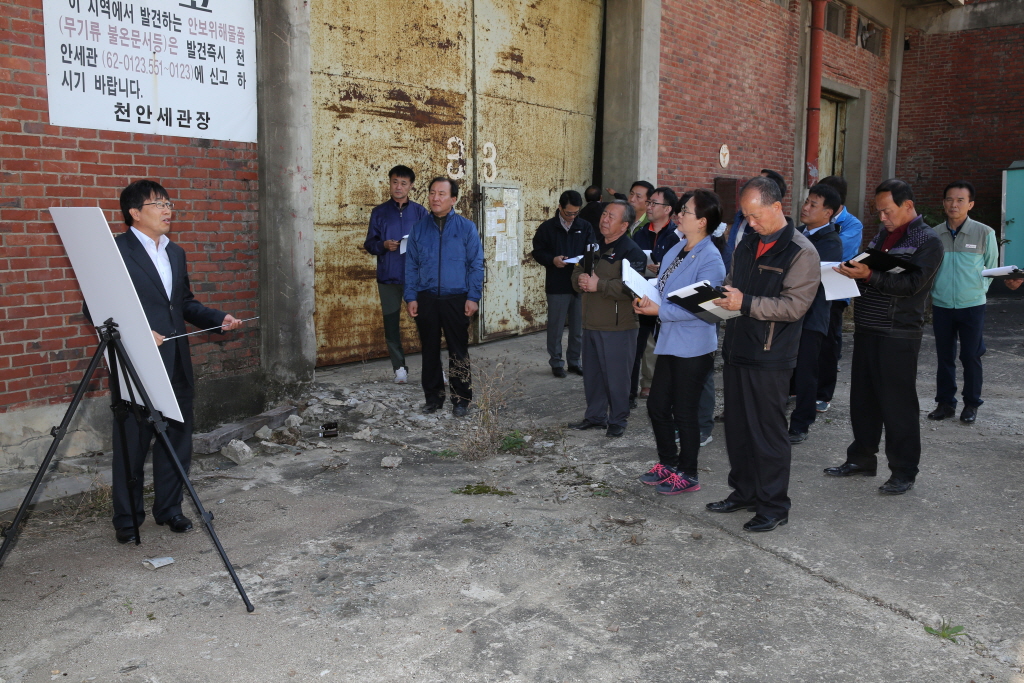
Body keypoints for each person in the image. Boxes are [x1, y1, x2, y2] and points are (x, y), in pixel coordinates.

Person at [94, 180, 244, 544]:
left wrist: (216, 319)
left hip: (176, 359)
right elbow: (96, 308)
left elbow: (184, 303)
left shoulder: (174, 252)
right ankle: (127, 519)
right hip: (136, 364)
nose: (167, 209)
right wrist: (138, 332)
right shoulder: (115, 251)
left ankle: (170, 509)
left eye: (168, 202)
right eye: (157, 203)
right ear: (134, 212)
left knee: (176, 437)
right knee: (132, 441)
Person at [704, 176, 820, 532]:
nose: (750, 223)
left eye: (755, 216)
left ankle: (773, 505)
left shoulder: (802, 252)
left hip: (771, 355)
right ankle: (744, 492)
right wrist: (718, 297)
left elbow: (794, 307)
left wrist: (746, 302)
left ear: (775, 207)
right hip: (739, 347)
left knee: (768, 433)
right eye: (745, 217)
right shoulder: (747, 244)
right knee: (737, 429)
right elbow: (734, 284)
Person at [825, 179, 944, 495]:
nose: (883, 218)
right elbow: (871, 271)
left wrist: (868, 275)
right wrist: (850, 272)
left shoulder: (928, 240)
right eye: (879, 212)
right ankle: (862, 459)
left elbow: (913, 285)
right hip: (868, 327)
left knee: (897, 405)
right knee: (862, 400)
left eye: (887, 211)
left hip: (898, 332)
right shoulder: (881, 237)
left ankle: (904, 470)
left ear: (907, 205)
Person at [633, 190, 726, 494]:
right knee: (658, 406)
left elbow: (704, 310)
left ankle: (689, 473)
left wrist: (660, 310)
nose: (679, 214)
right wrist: (648, 297)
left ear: (702, 222)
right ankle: (668, 463)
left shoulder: (711, 259)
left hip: (694, 346)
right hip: (670, 341)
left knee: (685, 411)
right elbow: (664, 288)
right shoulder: (676, 249)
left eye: (685, 211)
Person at [404, 177, 484, 417]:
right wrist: (411, 296)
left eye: (441, 194)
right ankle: (433, 399)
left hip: (456, 298)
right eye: (432, 193)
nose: (435, 198)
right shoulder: (419, 229)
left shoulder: (466, 227)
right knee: (429, 350)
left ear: (453, 199)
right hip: (426, 297)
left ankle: (461, 400)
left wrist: (473, 296)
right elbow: (411, 266)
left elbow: (476, 264)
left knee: (458, 351)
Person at [568, 200, 647, 437]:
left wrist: (598, 284)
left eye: (611, 216)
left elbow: (632, 288)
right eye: (604, 214)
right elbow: (577, 270)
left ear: (624, 225)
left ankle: (618, 420)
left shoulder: (632, 252)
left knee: (617, 377)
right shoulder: (594, 246)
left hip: (618, 326)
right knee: (593, 376)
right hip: (591, 321)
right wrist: (581, 280)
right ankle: (595, 416)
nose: (605, 219)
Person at [926, 181, 998, 424]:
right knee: (944, 357)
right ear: (944, 202)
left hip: (972, 305)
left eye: (960, 200)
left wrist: (979, 291)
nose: (953, 204)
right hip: (942, 305)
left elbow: (991, 268)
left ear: (970, 204)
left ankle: (971, 404)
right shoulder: (934, 234)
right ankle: (945, 404)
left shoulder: (984, 233)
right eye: (949, 199)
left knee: (970, 356)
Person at [788, 184, 844, 443]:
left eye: (813, 204)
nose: (806, 207)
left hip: (813, 315)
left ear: (828, 212)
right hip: (787, 311)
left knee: (807, 371)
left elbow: (808, 276)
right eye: (806, 201)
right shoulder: (796, 232)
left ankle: (801, 423)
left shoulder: (831, 243)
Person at [363, 165, 428, 384]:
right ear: (389, 183)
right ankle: (399, 368)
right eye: (394, 182)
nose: (398, 187)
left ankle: (434, 367)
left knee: (425, 324)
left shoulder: (420, 212)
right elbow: (369, 244)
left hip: (415, 279)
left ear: (411, 186)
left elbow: (430, 243)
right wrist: (383, 245)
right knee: (391, 325)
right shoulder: (379, 212)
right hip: (388, 278)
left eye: (403, 183)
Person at [531, 190, 595, 377]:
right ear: (560, 207)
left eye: (576, 213)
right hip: (557, 283)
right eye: (569, 213)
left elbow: (592, 250)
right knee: (556, 327)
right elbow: (538, 251)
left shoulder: (585, 226)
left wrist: (585, 264)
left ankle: (575, 361)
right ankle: (556, 362)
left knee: (578, 328)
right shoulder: (547, 228)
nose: (572, 217)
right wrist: (553, 260)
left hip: (579, 284)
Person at [815, 175, 864, 413]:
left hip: (834, 292)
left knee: (829, 342)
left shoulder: (853, 225)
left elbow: (834, 251)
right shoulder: (810, 224)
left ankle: (824, 393)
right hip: (810, 290)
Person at [629, 186, 680, 404]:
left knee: (657, 347)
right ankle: (629, 392)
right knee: (634, 347)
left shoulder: (676, 238)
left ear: (668, 209)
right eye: (648, 202)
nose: (649, 207)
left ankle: (653, 386)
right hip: (639, 296)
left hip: (664, 302)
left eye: (654, 203)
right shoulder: (640, 234)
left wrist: (663, 269)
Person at [722, 169, 787, 272]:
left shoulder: (798, 250)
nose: (751, 223)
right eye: (747, 216)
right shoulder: (740, 219)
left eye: (756, 216)